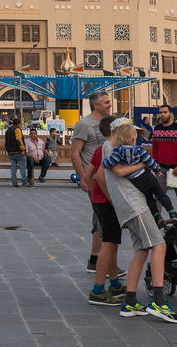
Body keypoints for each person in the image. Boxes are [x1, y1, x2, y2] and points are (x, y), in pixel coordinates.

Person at [98, 118, 177, 323]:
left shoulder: (110, 147)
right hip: (134, 204)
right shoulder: (111, 146)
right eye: (133, 132)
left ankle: (129, 302)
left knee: (142, 250)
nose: (136, 136)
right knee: (159, 245)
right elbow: (117, 171)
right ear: (119, 132)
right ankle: (159, 302)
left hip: (127, 206)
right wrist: (143, 163)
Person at [86, 115, 126, 307]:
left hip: (99, 201)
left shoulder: (100, 148)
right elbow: (99, 176)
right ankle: (98, 290)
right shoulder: (110, 149)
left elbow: (88, 175)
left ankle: (115, 283)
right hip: (108, 202)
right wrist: (111, 197)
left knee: (112, 243)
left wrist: (93, 195)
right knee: (109, 244)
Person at [103, 122, 177, 224]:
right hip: (147, 176)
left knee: (149, 199)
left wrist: (104, 163)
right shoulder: (138, 149)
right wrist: (157, 170)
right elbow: (149, 161)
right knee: (161, 195)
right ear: (134, 139)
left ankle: (157, 217)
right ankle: (172, 212)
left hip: (137, 181)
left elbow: (111, 162)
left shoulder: (117, 151)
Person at [72, 91, 113, 272]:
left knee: (100, 217)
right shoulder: (84, 124)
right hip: (94, 179)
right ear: (95, 105)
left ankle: (95, 260)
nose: (109, 105)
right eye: (106, 102)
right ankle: (106, 264)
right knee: (104, 218)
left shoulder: (110, 123)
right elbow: (75, 153)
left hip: (109, 178)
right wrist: (83, 178)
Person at [150, 104, 177, 210]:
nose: (162, 115)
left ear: (170, 114)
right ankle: (157, 222)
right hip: (162, 169)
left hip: (176, 170)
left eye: (165, 112)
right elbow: (155, 148)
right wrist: (155, 163)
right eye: (161, 112)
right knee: (159, 197)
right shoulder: (157, 129)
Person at [3, 116, 26, 188]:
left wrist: (8, 150)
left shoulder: (8, 131)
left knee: (13, 168)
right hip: (18, 151)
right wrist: (23, 149)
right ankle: (24, 182)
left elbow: (6, 142)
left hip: (10, 152)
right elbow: (18, 139)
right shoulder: (17, 129)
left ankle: (14, 183)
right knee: (22, 167)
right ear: (18, 124)